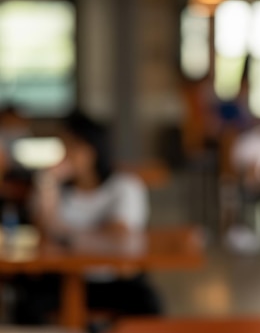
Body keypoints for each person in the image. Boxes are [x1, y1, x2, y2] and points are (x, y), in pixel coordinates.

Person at [12, 110, 161, 329]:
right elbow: (41, 234)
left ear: (93, 149)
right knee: (25, 307)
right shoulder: (54, 187)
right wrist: (47, 184)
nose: (66, 155)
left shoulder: (125, 186)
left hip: (114, 280)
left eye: (73, 147)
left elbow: (117, 235)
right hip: (60, 277)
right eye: (63, 147)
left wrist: (64, 235)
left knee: (150, 308)